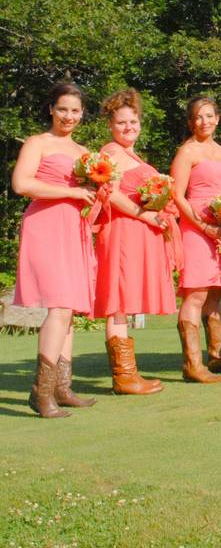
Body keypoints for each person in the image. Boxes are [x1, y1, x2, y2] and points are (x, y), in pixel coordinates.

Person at [12, 82, 98, 417]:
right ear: (51, 109)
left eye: (75, 110)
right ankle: (40, 391)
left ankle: (62, 387)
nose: (69, 116)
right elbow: (22, 183)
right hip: (46, 224)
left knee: (70, 310)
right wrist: (73, 194)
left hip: (75, 228)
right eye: (62, 109)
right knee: (60, 306)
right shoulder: (38, 142)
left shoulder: (83, 151)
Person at [94, 88, 175, 396]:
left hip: (137, 231)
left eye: (133, 122)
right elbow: (110, 194)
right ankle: (124, 377)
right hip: (123, 232)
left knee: (125, 303)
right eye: (122, 123)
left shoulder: (130, 154)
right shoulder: (112, 152)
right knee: (118, 301)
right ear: (111, 126)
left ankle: (128, 375)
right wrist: (145, 214)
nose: (129, 128)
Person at [171, 96, 221, 384]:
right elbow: (176, 194)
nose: (205, 122)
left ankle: (218, 356)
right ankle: (192, 363)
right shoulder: (187, 152)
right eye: (199, 117)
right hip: (196, 227)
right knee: (196, 293)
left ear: (218, 118)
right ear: (191, 122)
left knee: (215, 293)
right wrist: (202, 224)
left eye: (209, 116)